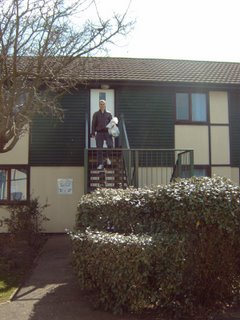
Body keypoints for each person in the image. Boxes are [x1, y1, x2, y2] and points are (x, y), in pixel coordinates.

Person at [91, 100, 113, 169]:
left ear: (105, 105)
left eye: (103, 104)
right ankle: (100, 164)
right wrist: (93, 133)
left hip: (107, 132)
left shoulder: (109, 114)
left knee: (110, 145)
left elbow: (111, 124)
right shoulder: (96, 114)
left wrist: (113, 131)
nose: (102, 105)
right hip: (99, 133)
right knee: (99, 148)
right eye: (101, 104)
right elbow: (93, 124)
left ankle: (107, 158)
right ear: (99, 105)